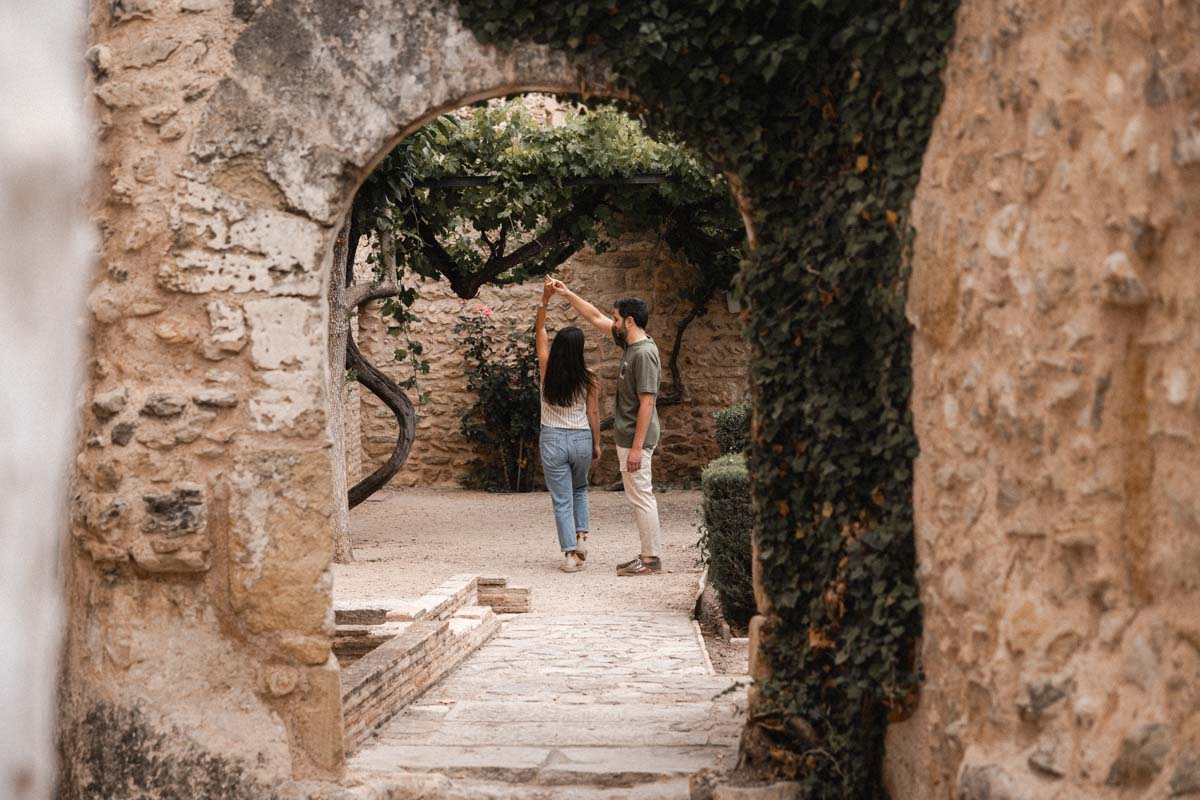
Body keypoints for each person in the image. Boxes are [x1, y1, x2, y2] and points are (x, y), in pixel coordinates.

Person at [548, 277, 663, 576]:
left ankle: (650, 560)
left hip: (636, 442)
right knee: (638, 496)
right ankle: (646, 556)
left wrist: (637, 447)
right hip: (627, 439)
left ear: (629, 320)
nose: (611, 322)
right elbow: (594, 316)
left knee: (642, 496)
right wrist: (566, 292)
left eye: (616, 318)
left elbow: (647, 404)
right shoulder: (629, 343)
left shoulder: (644, 354)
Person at [536, 276, 602, 573]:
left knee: (561, 498)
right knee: (580, 490)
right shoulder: (589, 377)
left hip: (552, 438)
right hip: (580, 439)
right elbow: (594, 414)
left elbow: (539, 331)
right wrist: (597, 444)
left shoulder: (546, 369)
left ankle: (570, 556)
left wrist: (545, 300)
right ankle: (582, 535)